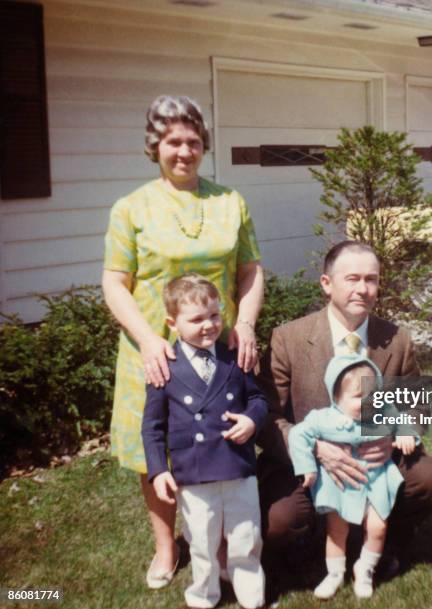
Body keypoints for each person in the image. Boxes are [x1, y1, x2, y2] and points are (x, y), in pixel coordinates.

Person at [102, 95, 263, 588]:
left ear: (203, 146)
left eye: (193, 141)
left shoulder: (229, 201)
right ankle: (166, 547)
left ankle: (219, 543)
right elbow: (114, 282)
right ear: (155, 146)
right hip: (154, 350)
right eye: (173, 141)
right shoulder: (131, 208)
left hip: (218, 349)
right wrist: (149, 340)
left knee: (220, 438)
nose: (184, 151)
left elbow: (250, 270)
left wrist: (248, 325)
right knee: (157, 450)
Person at [257, 240, 432, 566]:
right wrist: (315, 448)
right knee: (277, 522)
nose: (363, 288)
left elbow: (415, 403)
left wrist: (389, 438)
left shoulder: (396, 339)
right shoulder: (288, 338)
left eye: (371, 279)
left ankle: (382, 535)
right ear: (327, 284)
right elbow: (267, 415)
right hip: (311, 459)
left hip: (377, 458)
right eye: (352, 279)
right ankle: (313, 539)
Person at [142, 274, 266, 609]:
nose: (208, 325)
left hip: (237, 464)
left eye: (214, 315)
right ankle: (203, 596)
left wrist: (252, 420)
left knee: (245, 536)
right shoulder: (164, 367)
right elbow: (152, 427)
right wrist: (158, 470)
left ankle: (251, 595)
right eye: (196, 319)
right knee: (202, 540)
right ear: (172, 322)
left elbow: (258, 399)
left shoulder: (232, 355)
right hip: (193, 472)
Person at [289, 355, 419, 599]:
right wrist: (307, 466)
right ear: (337, 397)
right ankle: (335, 573)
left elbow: (402, 421)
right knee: (337, 531)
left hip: (375, 479)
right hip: (342, 483)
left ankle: (365, 568)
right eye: (358, 397)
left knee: (378, 528)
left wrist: (404, 435)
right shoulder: (323, 418)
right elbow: (298, 435)